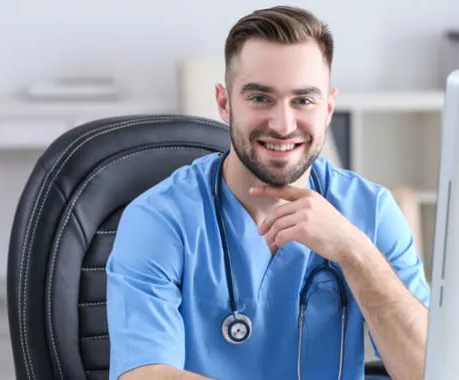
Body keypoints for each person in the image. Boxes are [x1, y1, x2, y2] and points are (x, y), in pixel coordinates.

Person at [106, 5, 430, 380]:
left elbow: (428, 370)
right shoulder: (160, 220)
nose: (283, 124)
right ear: (225, 103)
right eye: (260, 98)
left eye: (303, 100)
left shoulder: (370, 211)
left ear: (328, 108)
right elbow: (146, 374)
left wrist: (354, 251)